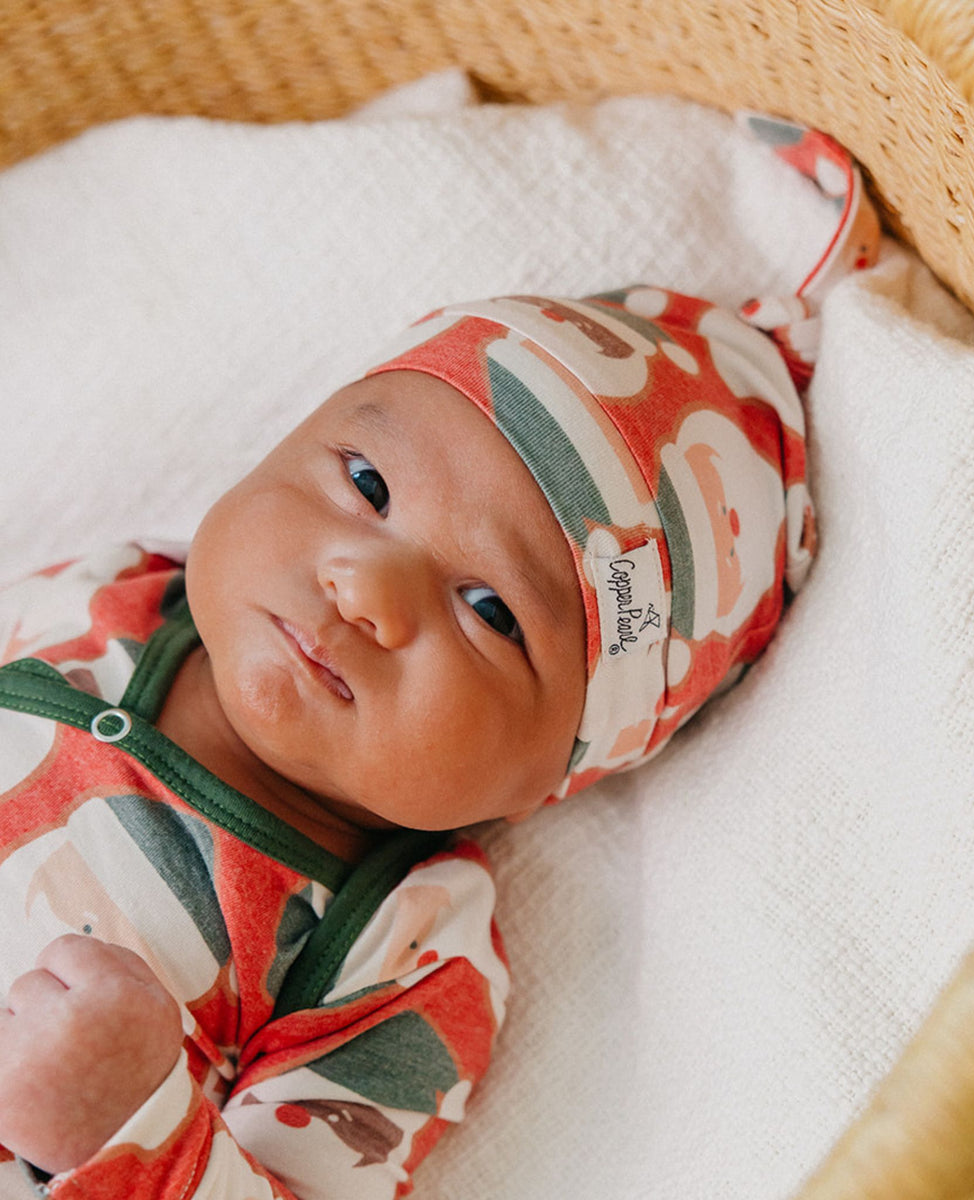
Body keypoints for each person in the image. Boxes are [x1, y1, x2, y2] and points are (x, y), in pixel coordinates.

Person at [0, 145, 878, 1197]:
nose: (366, 584)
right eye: (365, 480)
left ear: (551, 777)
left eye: (490, 611)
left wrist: (120, 1127)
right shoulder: (98, 602)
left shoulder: (401, 957)